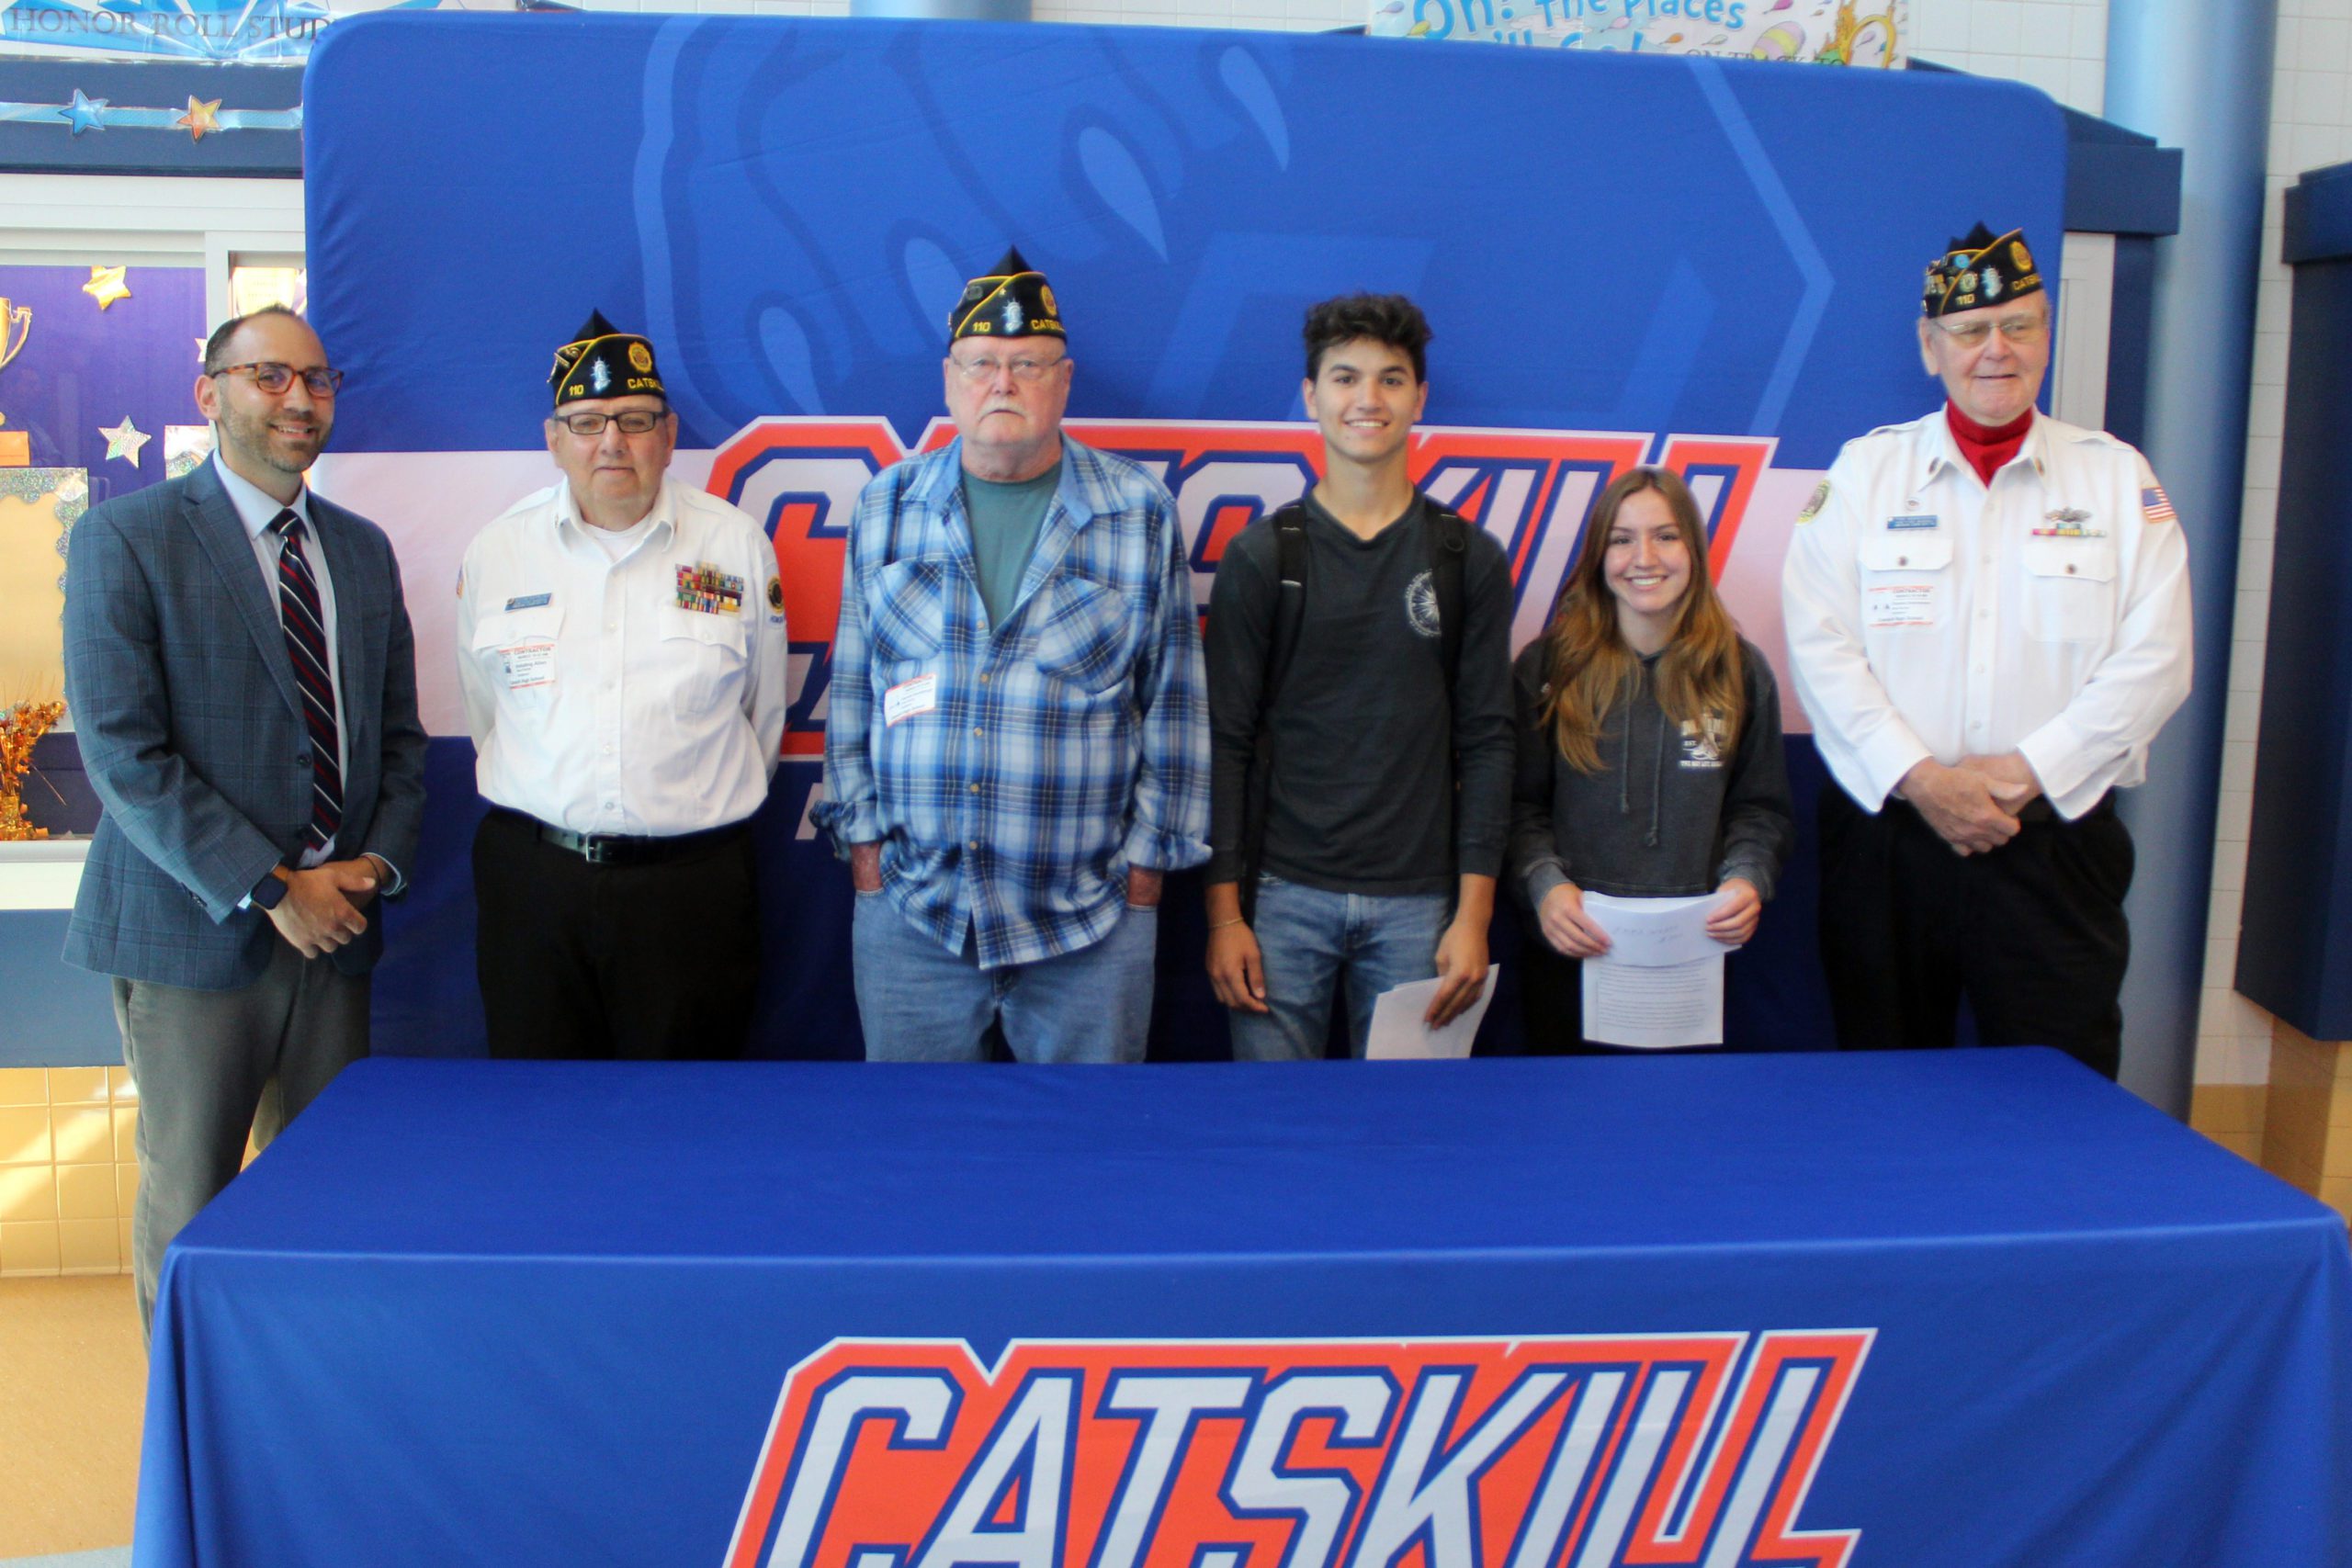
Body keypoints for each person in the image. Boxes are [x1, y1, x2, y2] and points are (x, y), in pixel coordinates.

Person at [61, 305, 426, 1336]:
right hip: (195, 931)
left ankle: (296, 1413)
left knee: (324, 1200)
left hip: (338, 934)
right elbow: (124, 755)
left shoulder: (358, 551)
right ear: (207, 391)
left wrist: (372, 874)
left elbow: (399, 741)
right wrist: (274, 886)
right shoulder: (126, 538)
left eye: (317, 381)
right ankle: (193, 1441)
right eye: (269, 376)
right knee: (193, 1199)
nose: (298, 400)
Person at [1781, 223, 2193, 1079]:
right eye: (1970, 331)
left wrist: (2025, 771)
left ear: (2048, 334)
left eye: (2020, 324)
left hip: (2051, 842)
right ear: (1930, 348)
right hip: (1889, 840)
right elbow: (1820, 643)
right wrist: (1926, 780)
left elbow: (2159, 656)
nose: (1996, 350)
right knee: (1884, 1092)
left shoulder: (2115, 479)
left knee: (2061, 1101)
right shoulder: (1866, 475)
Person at [816, 248, 1209, 1063]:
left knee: (1083, 1162)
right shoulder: (887, 507)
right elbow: (853, 692)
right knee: (918, 1154)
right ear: (950, 379)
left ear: (1063, 382)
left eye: (1026, 364)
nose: (1003, 383)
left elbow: (1172, 708)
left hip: (1088, 932)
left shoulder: (1136, 513)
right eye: (983, 364)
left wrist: (1143, 882)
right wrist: (865, 860)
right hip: (913, 920)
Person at [455, 311, 787, 1059]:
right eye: (587, 421)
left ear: (669, 436)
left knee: (684, 1125)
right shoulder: (497, 552)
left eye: (634, 420)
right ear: (553, 439)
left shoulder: (733, 545)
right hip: (535, 884)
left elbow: (760, 715)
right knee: (540, 1117)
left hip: (689, 891)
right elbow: (486, 709)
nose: (611, 441)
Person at [1203, 293, 1514, 1058]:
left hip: (1420, 906)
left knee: (1408, 1144)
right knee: (1276, 1137)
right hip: (1280, 903)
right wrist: (1224, 918)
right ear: (1311, 396)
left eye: (1391, 379)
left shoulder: (1466, 557)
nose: (1367, 400)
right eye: (1345, 378)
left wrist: (1473, 916)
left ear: (1419, 397)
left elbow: (1488, 743)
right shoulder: (1263, 557)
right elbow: (1226, 746)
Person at [1508, 467, 1794, 1051]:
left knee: (1681, 1129)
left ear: (1693, 548)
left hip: (1696, 955)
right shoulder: (1547, 669)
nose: (1645, 557)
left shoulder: (1740, 670)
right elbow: (1515, 807)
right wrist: (1545, 886)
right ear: (1598, 556)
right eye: (1621, 538)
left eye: (1665, 536)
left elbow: (1760, 810)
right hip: (1573, 947)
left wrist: (1746, 881)